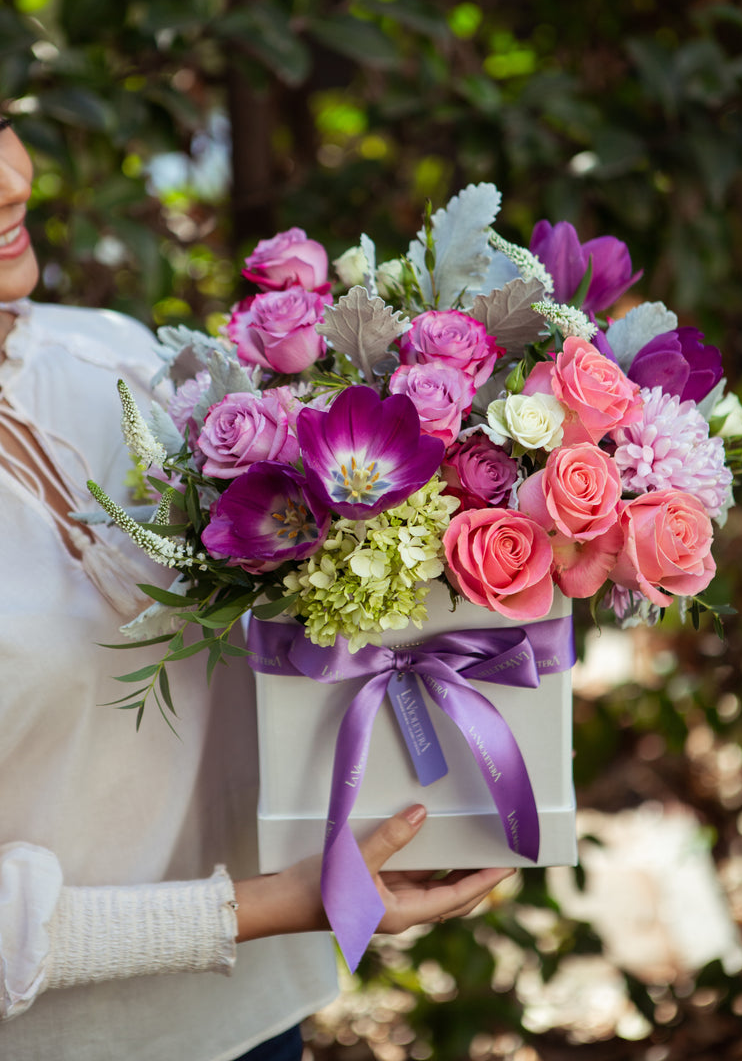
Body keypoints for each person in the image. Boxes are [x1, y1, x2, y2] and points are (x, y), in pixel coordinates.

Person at [0, 114, 514, 1061]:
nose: (8, 180)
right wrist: (275, 903)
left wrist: (417, 800)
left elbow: (295, 647)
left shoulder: (123, 359)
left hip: (254, 1015)